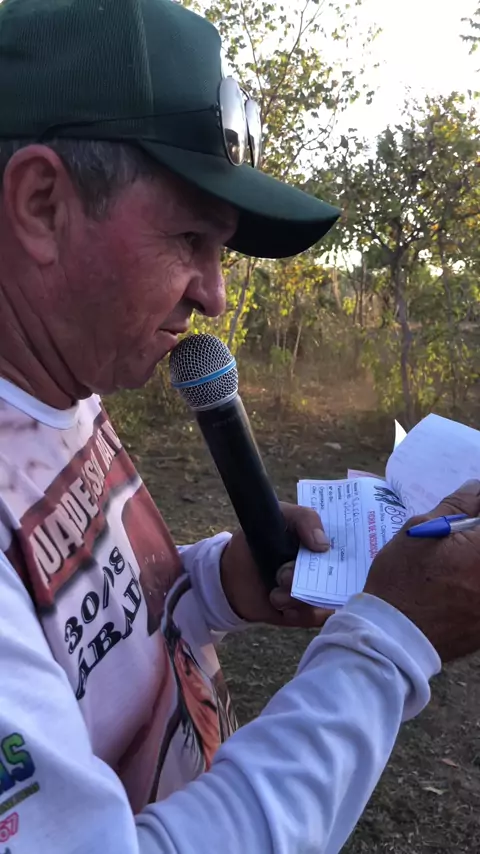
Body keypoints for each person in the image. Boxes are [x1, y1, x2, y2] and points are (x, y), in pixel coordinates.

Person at [0, 0, 479, 852]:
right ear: (42, 205)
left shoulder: (58, 389)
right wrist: (386, 645)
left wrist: (219, 583)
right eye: (191, 236)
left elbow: (82, 624)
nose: (215, 295)